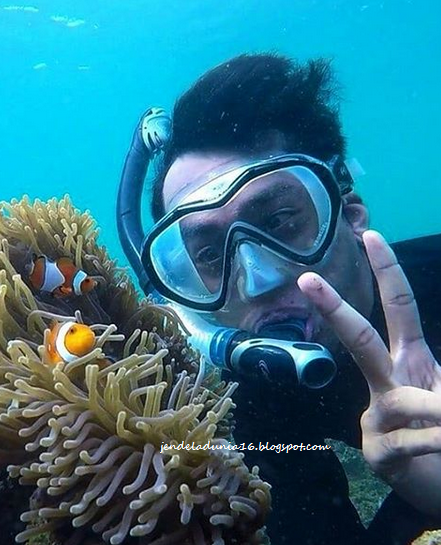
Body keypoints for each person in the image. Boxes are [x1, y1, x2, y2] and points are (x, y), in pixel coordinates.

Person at [116, 53, 441, 544]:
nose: (257, 279)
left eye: (280, 221)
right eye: (209, 253)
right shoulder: (253, 404)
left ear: (350, 213)